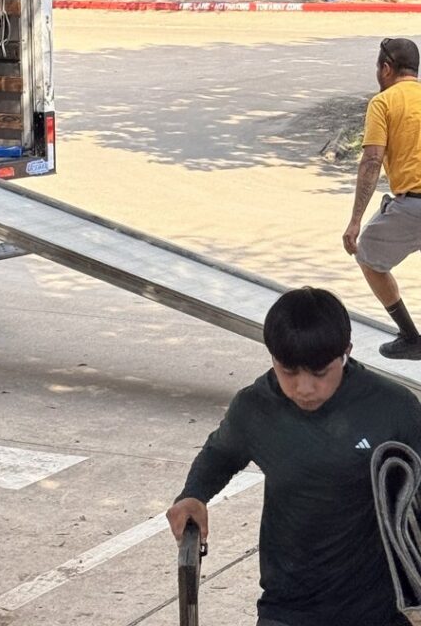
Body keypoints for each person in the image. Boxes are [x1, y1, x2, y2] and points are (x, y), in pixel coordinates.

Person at [166, 287, 421, 626]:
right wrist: (194, 494)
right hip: (286, 606)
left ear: (346, 352)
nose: (304, 388)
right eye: (288, 371)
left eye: (319, 373)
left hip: (378, 610)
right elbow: (221, 453)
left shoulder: (392, 407)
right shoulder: (255, 408)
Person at [342, 37, 421, 359]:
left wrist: (355, 221)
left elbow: (372, 160)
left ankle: (410, 337)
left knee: (368, 257)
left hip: (412, 205)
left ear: (386, 68)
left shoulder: (384, 102)